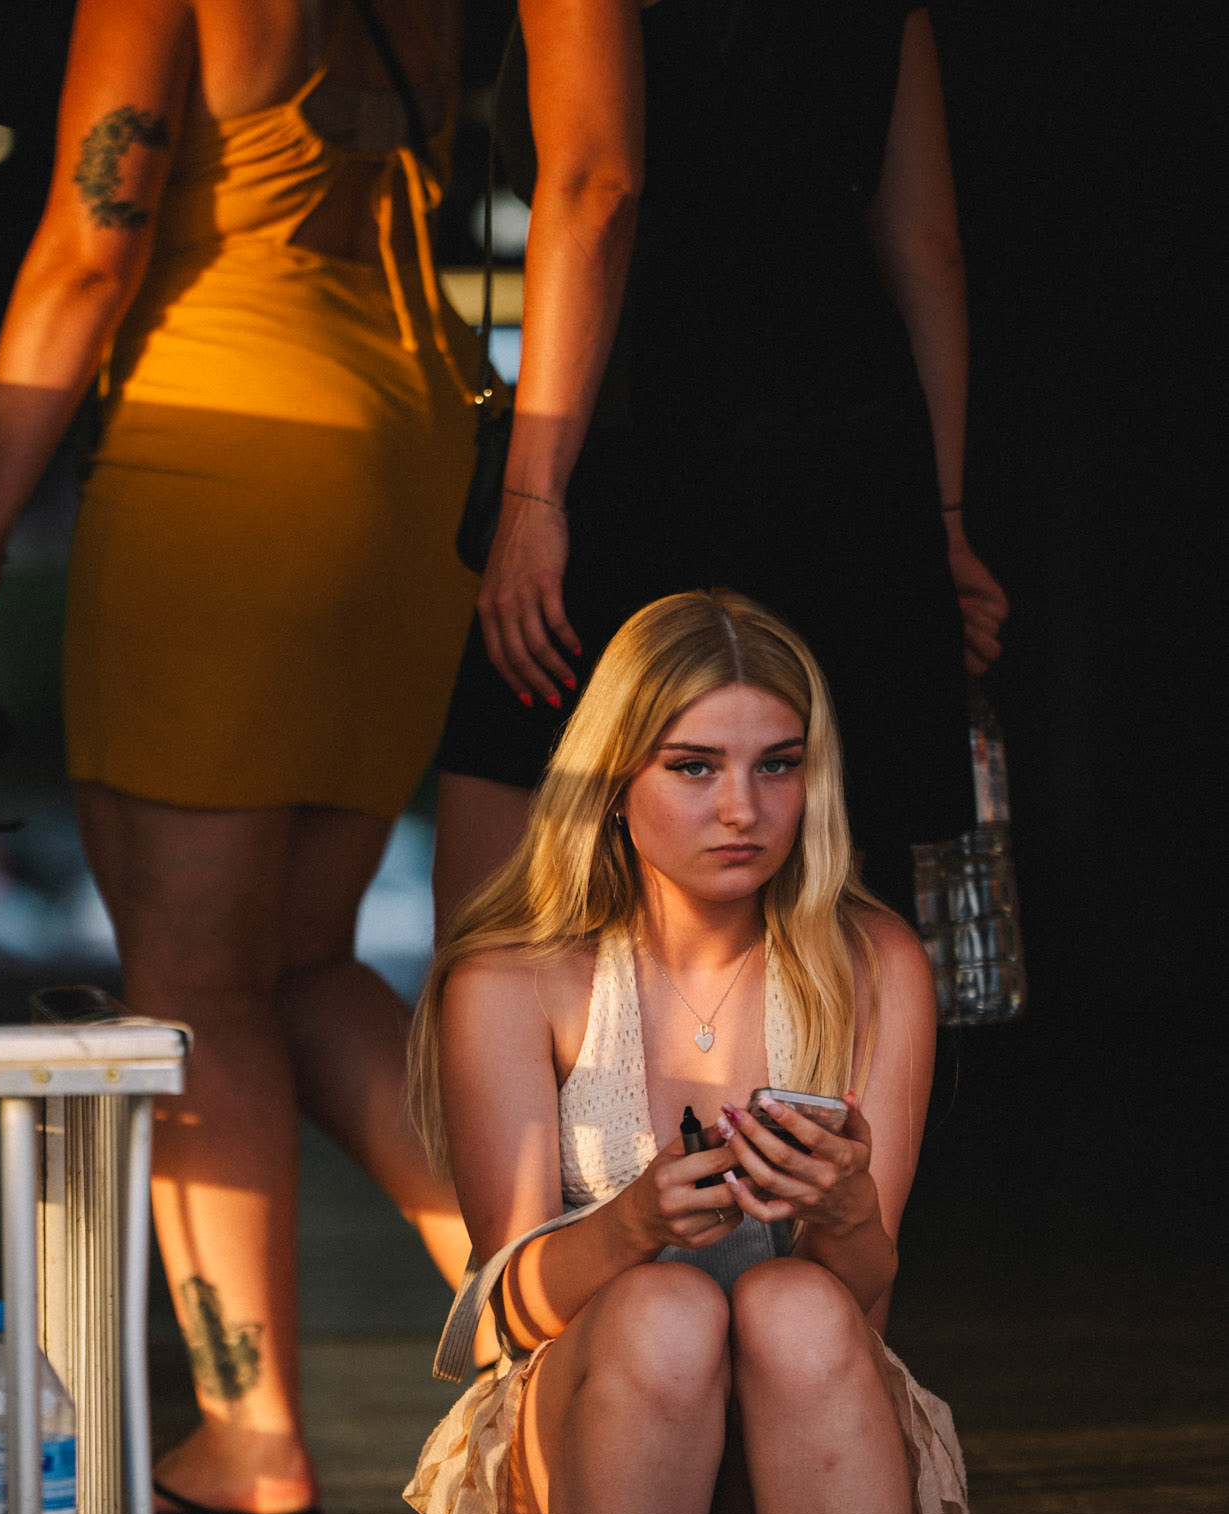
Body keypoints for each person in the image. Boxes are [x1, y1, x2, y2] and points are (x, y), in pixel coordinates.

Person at [0, 0, 484, 1514]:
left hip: (220, 446)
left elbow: (89, 246)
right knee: (301, 962)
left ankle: (250, 1433)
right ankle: (555, 1314)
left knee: (191, 984)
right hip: (406, 447)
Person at [406, 590, 996, 1514]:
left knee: (790, 1298)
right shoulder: (519, 977)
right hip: (585, 1455)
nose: (743, 807)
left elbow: (863, 1302)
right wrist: (623, 1229)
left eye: (776, 765)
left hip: (791, 1482)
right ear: (616, 781)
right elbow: (497, 1315)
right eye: (695, 766)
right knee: (666, 1307)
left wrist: (839, 1210)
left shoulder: (869, 959)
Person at [432, 0, 1010, 927]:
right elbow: (925, 249)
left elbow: (595, 187)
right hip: (849, 451)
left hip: (641, 426)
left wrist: (533, 494)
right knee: (812, 929)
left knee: (509, 917)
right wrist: (939, 524)